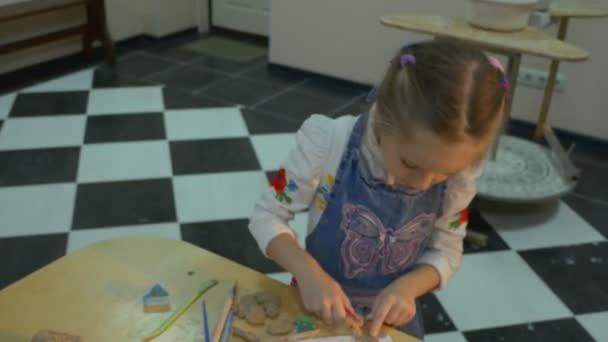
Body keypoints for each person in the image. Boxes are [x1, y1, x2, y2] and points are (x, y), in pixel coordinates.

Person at [248, 40, 509, 339]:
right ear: (384, 117)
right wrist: (306, 271)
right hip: (317, 305)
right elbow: (267, 215)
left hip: (389, 322)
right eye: (410, 163)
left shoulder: (459, 180)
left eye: (445, 173)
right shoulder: (327, 143)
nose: (424, 183)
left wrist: (408, 288)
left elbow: (448, 252)